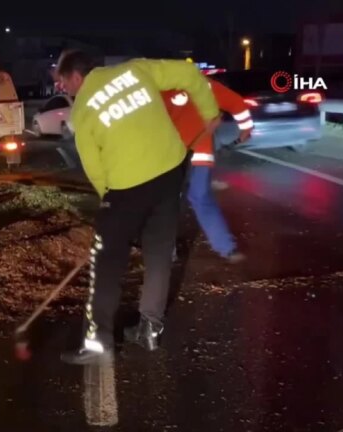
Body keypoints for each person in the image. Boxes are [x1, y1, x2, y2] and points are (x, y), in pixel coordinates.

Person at [55, 50, 220, 365]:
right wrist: (210, 113)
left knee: (106, 265)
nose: (65, 88)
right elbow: (189, 75)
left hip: (126, 188)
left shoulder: (82, 111)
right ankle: (149, 330)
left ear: (76, 76)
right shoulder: (137, 70)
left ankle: (99, 343)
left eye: (63, 82)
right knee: (158, 253)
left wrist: (109, 201)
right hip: (170, 172)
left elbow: (95, 166)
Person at [161, 77, 253, 263]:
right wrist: (246, 128)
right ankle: (226, 248)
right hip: (201, 154)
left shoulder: (161, 87)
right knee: (201, 198)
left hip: (170, 156)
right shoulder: (206, 84)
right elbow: (236, 102)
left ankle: (165, 251)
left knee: (166, 204)